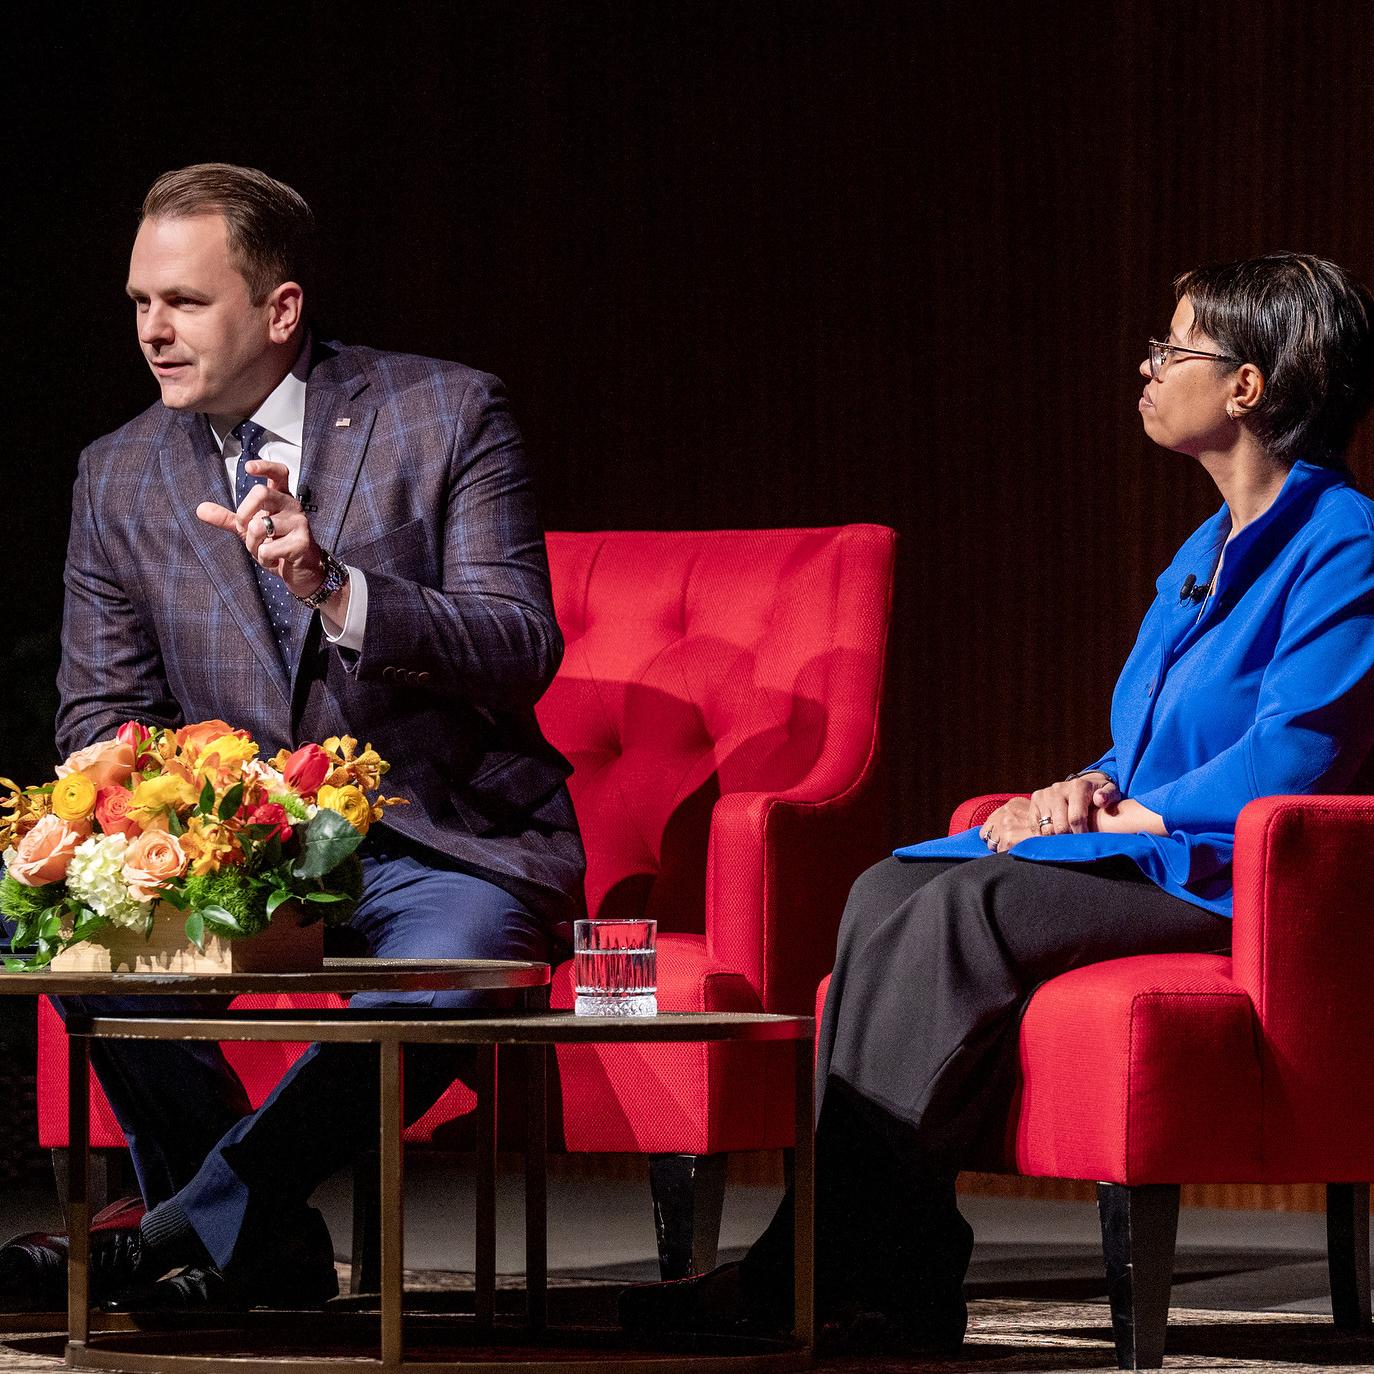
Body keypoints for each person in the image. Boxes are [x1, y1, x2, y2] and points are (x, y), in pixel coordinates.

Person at [621, 252, 1374, 1354]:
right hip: (1151, 851)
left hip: (1240, 884)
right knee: (893, 884)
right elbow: (1147, 739)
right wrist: (1088, 784)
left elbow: (1293, 757)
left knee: (963, 911)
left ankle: (811, 1268)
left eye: (1171, 350)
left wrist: (1137, 818)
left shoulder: (1346, 546)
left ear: (1248, 387)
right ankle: (907, 1269)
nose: (1149, 367)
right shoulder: (1203, 552)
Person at [0, 163, 585, 1311]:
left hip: (439, 835)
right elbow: (99, 713)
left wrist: (337, 588)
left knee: (447, 974)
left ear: (279, 309)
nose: (154, 332)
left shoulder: (446, 412)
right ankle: (250, 1245)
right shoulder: (117, 474)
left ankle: (179, 1228)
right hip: (241, 852)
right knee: (51, 920)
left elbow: (522, 642)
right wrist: (127, 804)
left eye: (185, 303)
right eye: (138, 304)